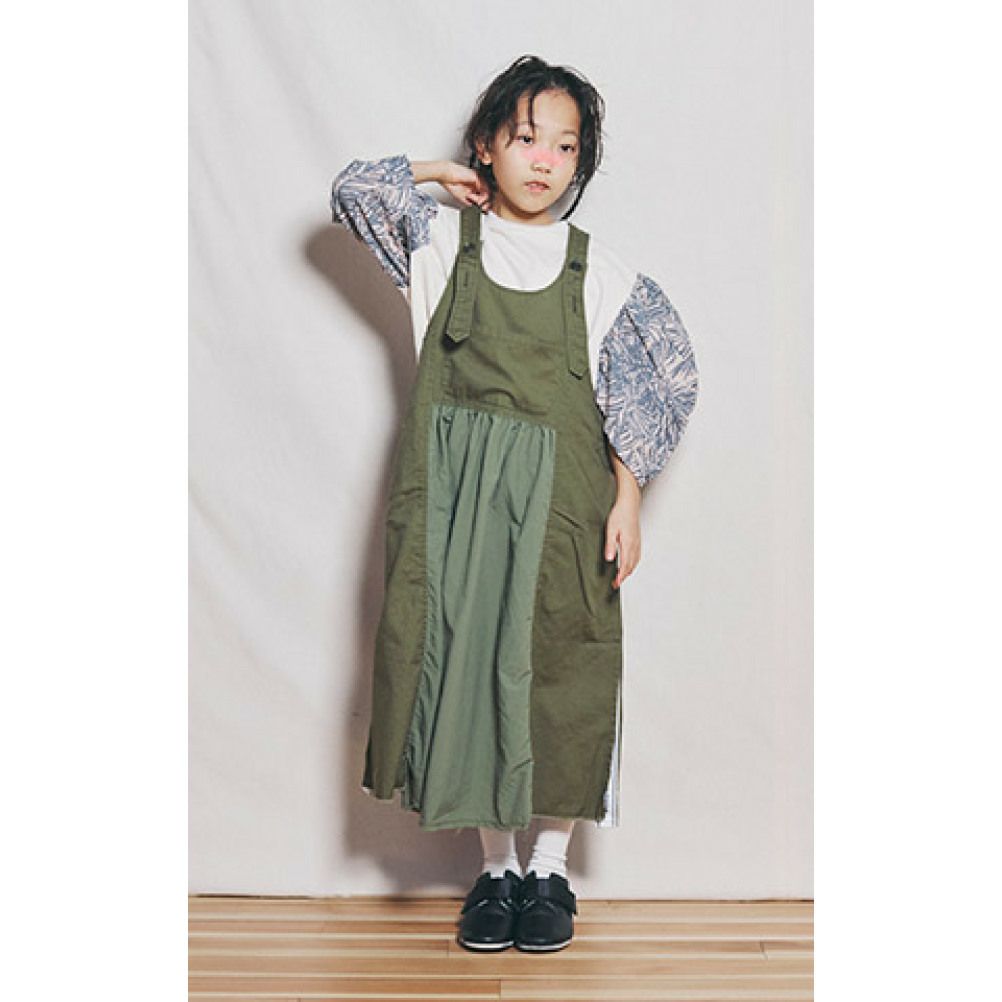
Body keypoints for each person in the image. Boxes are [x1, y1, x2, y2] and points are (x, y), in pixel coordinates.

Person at [330, 54, 699, 953]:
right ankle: (495, 868)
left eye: (565, 146)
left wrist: (628, 496)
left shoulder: (599, 272)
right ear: (487, 146)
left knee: (561, 663)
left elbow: (661, 385)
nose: (544, 160)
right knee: (464, 660)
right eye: (524, 138)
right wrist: (437, 173)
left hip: (564, 496)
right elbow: (351, 190)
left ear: (581, 164)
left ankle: (552, 870)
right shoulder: (436, 242)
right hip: (452, 497)